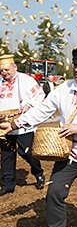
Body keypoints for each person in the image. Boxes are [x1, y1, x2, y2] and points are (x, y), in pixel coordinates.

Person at [0, 48, 77, 227]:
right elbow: (43, 109)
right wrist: (15, 124)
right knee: (54, 192)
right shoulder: (64, 88)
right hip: (68, 152)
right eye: (75, 66)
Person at [0, 54, 45, 196]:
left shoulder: (27, 80)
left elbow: (40, 95)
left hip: (23, 124)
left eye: (7, 69)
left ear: (15, 67)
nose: (4, 73)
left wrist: (29, 105)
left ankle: (38, 172)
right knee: (6, 155)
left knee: (26, 152)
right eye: (2, 70)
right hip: (3, 124)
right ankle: (8, 185)